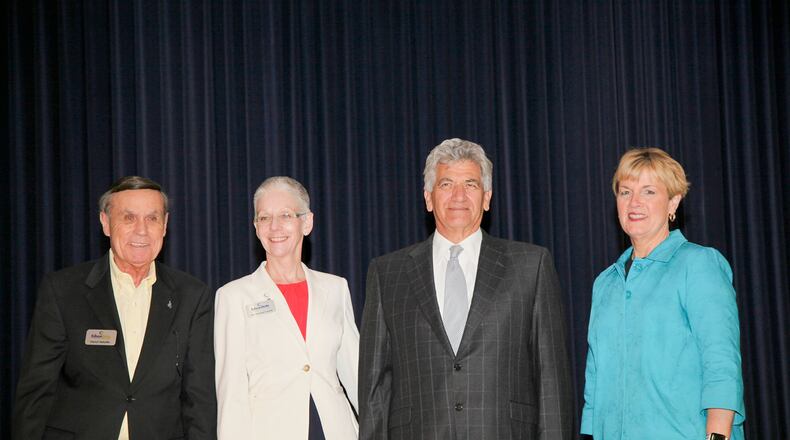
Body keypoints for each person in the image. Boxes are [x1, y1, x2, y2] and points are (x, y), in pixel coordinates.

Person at [359, 138, 574, 440]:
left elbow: (552, 380)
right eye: (446, 184)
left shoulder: (531, 265)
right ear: (428, 198)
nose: (459, 196)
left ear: (487, 197)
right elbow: (374, 389)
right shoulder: (387, 273)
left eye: (471, 185)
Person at [12, 176, 216, 440]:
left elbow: (199, 400)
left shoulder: (192, 296)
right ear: (106, 223)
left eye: (152, 218)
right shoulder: (63, 290)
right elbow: (36, 392)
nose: (141, 230)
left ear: (165, 225)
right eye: (129, 218)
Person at [580, 147, 745, 439]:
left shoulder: (698, 264)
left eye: (649, 192)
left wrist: (718, 436)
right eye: (625, 192)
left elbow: (721, 362)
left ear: (673, 202)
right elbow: (595, 379)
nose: (635, 202)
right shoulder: (604, 283)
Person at [214, 176, 359, 440]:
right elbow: (231, 392)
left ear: (307, 222)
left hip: (335, 429)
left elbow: (356, 374)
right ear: (256, 227)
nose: (274, 226)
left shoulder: (336, 288)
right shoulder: (233, 297)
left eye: (285, 215)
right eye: (264, 218)